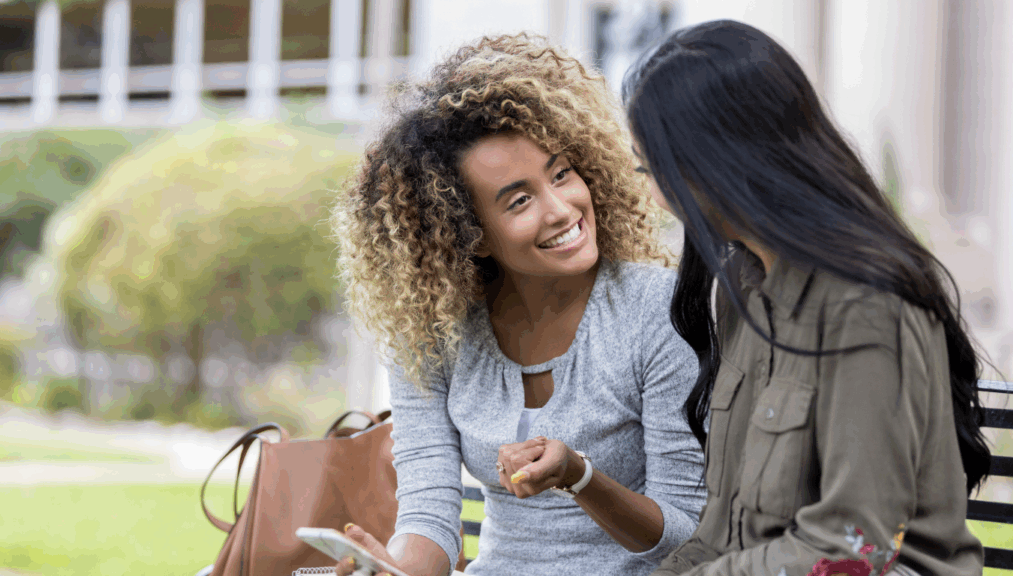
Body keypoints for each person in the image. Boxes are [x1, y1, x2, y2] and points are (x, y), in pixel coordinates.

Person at [624, 19, 992, 576]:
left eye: (651, 168)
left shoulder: (866, 307)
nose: (652, 193)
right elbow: (721, 535)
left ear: (718, 162)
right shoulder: (741, 287)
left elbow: (851, 547)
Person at [330, 34, 706, 576]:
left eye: (562, 174)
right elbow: (429, 512)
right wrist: (394, 571)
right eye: (520, 200)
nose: (562, 210)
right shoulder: (434, 333)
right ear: (469, 234)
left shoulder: (659, 310)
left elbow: (686, 535)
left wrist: (580, 477)